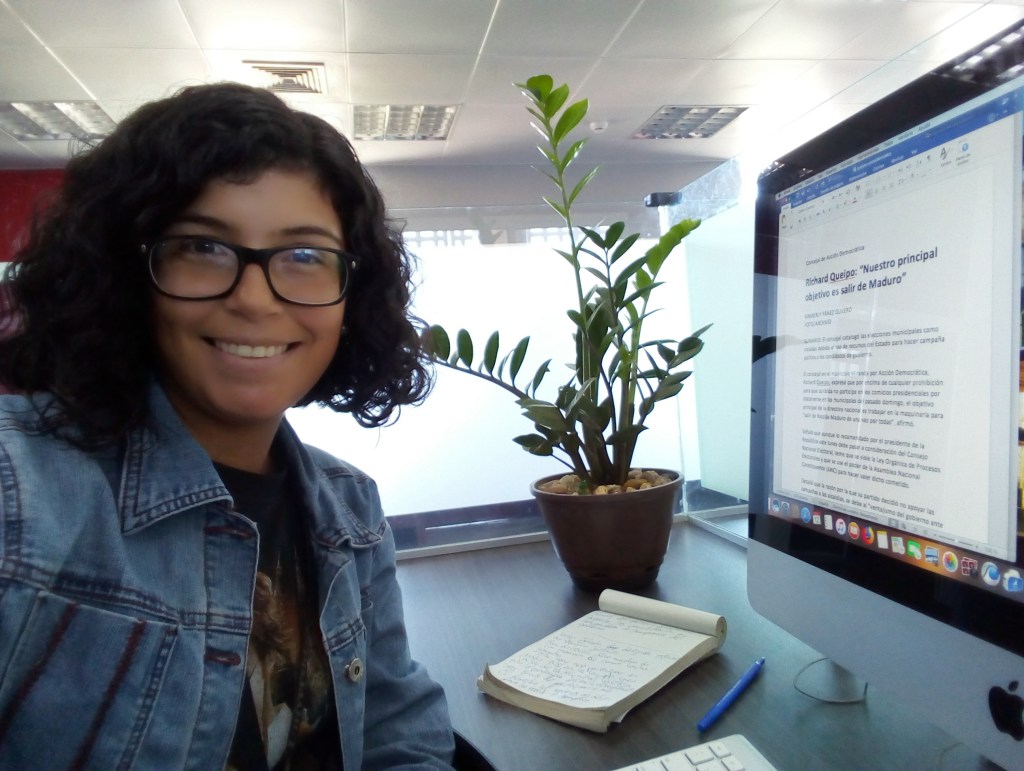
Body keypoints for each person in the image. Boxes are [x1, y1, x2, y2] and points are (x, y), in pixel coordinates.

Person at [0, 82, 455, 770]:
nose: (253, 299)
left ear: (350, 295)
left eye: (304, 255)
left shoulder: (351, 506)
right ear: (127, 273)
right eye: (203, 247)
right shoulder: (21, 490)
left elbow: (398, 730)